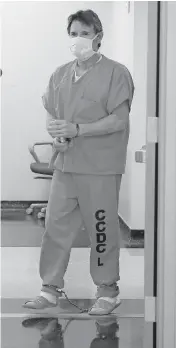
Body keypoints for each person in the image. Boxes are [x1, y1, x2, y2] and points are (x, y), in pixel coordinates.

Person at [23, 9, 134, 315]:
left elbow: (119, 120)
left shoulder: (115, 73)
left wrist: (78, 130)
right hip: (66, 164)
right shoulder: (60, 75)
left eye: (84, 33)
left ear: (98, 37)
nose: (78, 39)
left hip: (100, 167)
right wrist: (56, 133)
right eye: (73, 33)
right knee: (55, 227)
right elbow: (52, 112)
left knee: (101, 229)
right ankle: (49, 289)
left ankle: (107, 291)